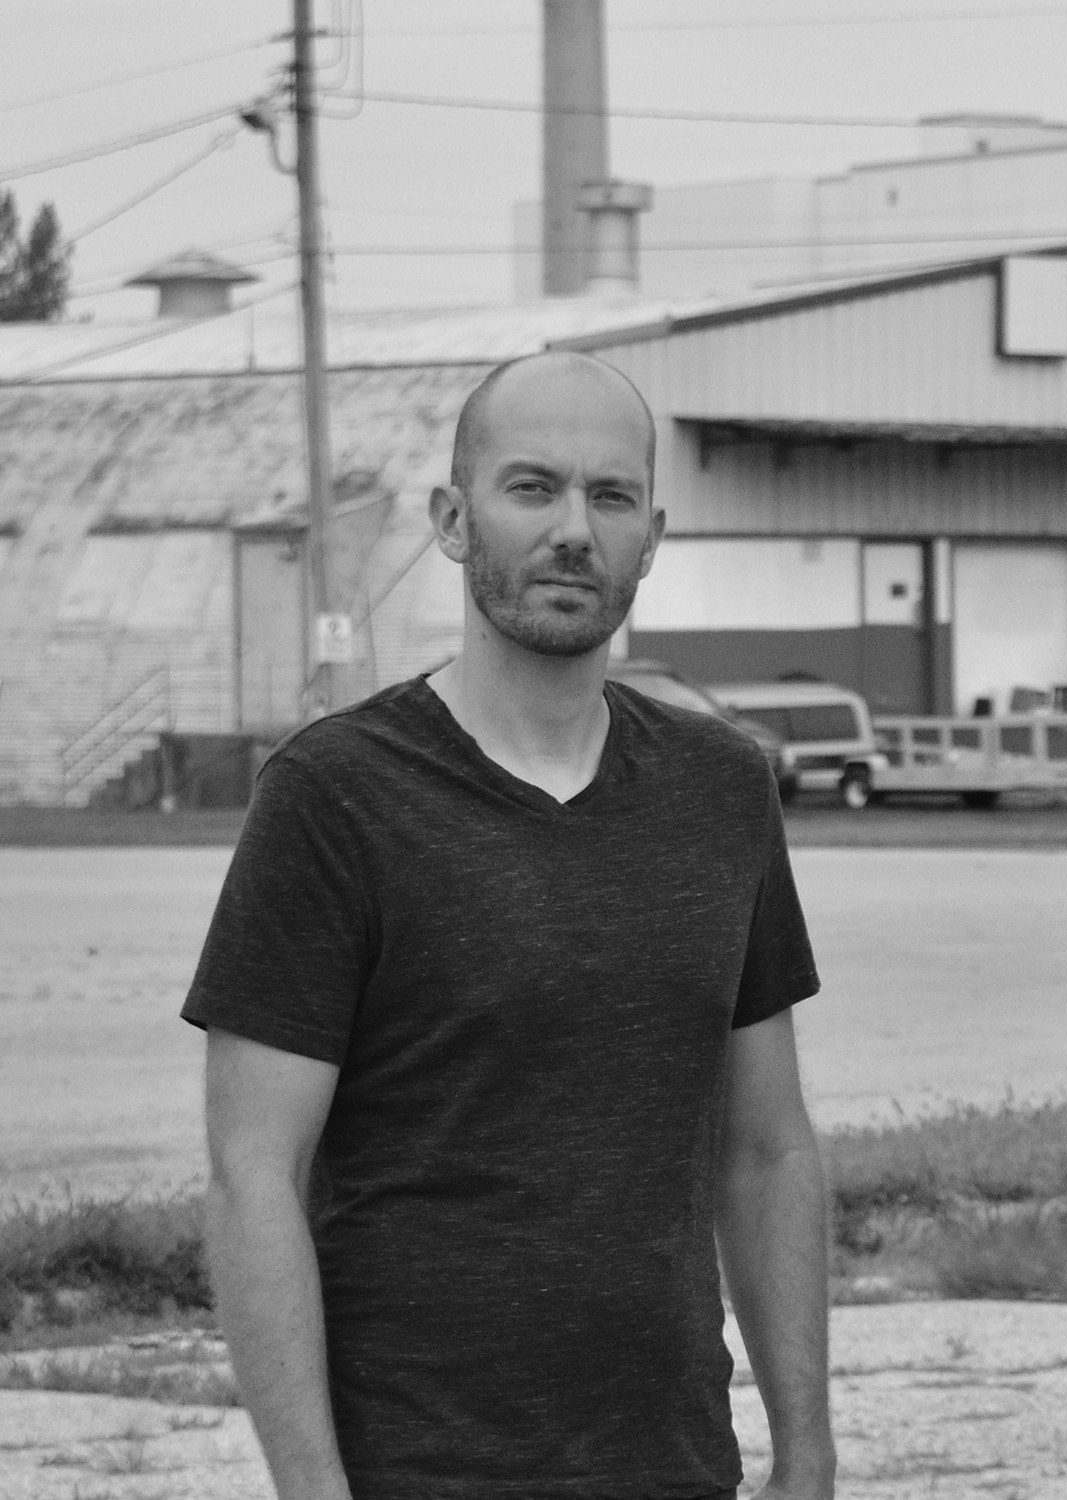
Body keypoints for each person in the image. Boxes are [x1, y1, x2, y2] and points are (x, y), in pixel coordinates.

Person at [185, 350, 835, 1500]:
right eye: (531, 488)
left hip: (674, 1464)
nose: (574, 530)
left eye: (611, 495)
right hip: (415, 1467)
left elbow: (767, 1147)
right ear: (451, 518)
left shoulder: (723, 790)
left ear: (653, 534)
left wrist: (808, 1452)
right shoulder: (336, 794)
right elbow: (254, 1173)